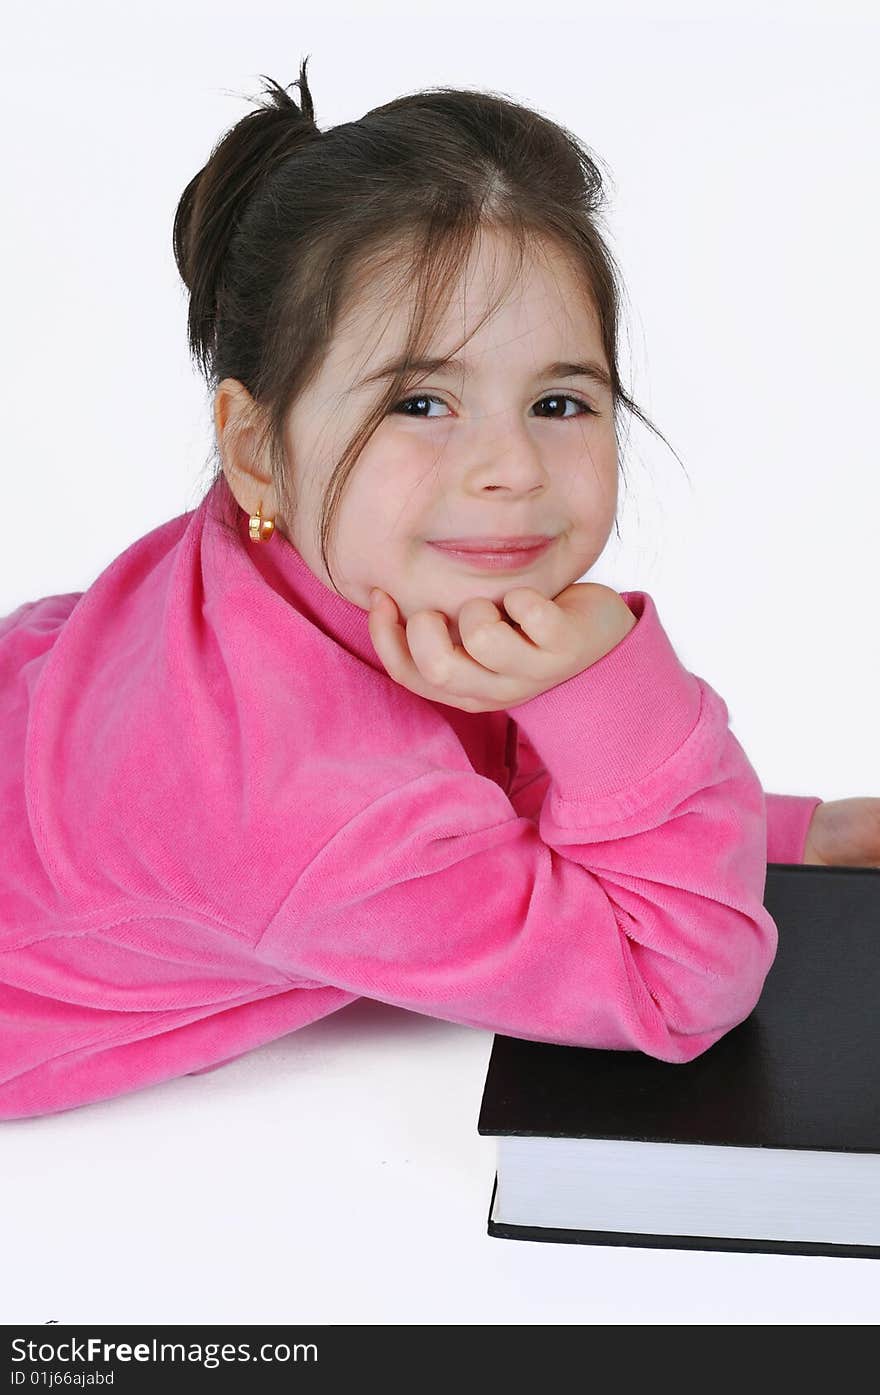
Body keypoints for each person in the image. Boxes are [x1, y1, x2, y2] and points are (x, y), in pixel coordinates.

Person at [1, 58, 875, 1122]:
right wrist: (619, 699)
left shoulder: (297, 568)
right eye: (419, 402)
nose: (508, 465)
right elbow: (677, 985)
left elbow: (473, 783)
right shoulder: (303, 807)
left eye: (559, 401)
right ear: (254, 445)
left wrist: (791, 834)